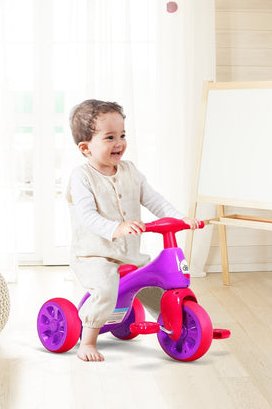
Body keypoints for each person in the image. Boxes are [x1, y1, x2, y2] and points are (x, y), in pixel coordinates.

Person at [66, 99, 201, 362]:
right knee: (105, 289)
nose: (119, 142)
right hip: (95, 256)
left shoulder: (130, 171)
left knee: (156, 281)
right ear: (85, 148)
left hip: (129, 255)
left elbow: (154, 200)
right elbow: (87, 217)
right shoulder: (82, 177)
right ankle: (89, 341)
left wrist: (180, 218)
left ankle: (177, 325)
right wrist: (116, 227)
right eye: (109, 137)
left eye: (122, 135)